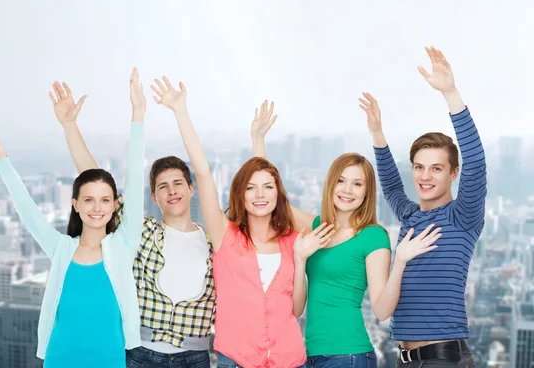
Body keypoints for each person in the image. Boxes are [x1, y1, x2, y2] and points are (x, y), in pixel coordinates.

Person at [0, 69, 145, 367]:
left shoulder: (124, 244)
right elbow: (28, 210)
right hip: (59, 357)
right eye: (88, 199)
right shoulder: (62, 248)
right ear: (75, 204)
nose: (97, 207)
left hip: (110, 358)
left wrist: (138, 115)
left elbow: (135, 176)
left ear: (116, 204)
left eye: (105, 200)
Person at [252, 101, 441, 368]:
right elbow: (272, 201)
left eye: (357, 183)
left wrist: (400, 262)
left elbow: (382, 309)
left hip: (349, 355)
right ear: (331, 184)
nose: (347, 190)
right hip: (309, 355)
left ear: (366, 192)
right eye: (341, 181)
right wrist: (258, 140)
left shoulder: (373, 236)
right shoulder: (316, 227)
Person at [48, 70, 214, 368]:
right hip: (141, 353)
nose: (171, 191)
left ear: (191, 189)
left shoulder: (214, 240)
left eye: (178, 183)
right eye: (162, 186)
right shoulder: (141, 232)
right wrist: (70, 126)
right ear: (154, 197)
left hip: (196, 356)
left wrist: (180, 111)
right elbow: (97, 184)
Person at [150, 76, 308, 368]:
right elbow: (203, 172)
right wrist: (180, 111)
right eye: (250, 188)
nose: (260, 195)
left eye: (268, 187)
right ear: (240, 194)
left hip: (291, 360)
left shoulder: (293, 241)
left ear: (279, 193)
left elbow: (296, 309)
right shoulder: (226, 236)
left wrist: (301, 261)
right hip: (236, 360)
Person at [360, 46, 486, 367]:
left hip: (442, 358)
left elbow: (476, 161)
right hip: (407, 360)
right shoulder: (409, 216)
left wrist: (451, 93)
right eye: (419, 167)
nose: (425, 176)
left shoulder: (463, 216)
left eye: (436, 168)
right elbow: (389, 184)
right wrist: (377, 133)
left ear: (453, 173)